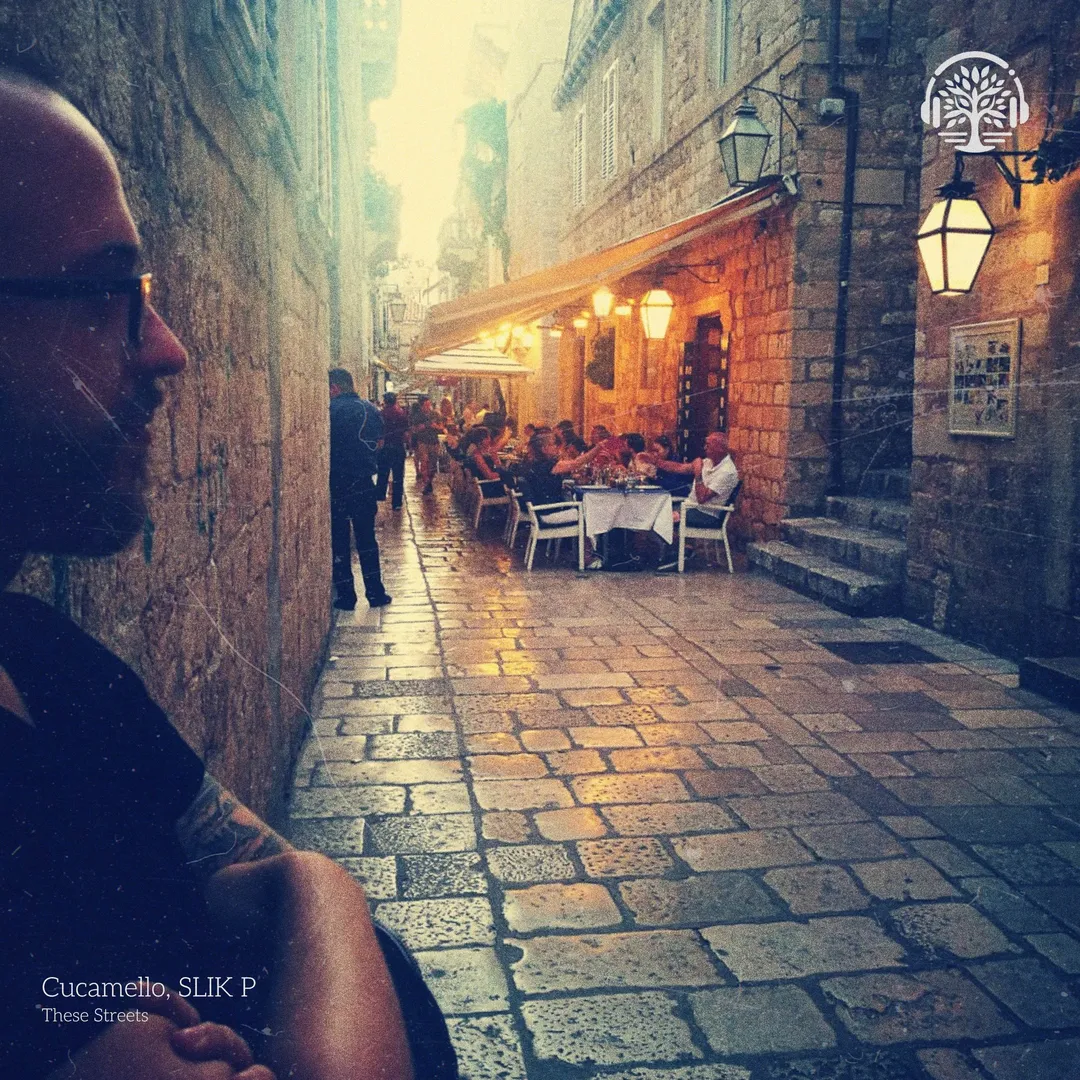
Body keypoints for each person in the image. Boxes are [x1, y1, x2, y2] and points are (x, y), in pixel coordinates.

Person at [0, 62, 455, 1079]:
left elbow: (267, 874)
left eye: (146, 294)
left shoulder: (51, 662)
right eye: (103, 292)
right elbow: (270, 885)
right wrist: (322, 896)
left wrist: (316, 885)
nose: (168, 348)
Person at [329, 369, 392, 610]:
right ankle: (375, 593)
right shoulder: (371, 409)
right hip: (364, 483)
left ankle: (347, 597)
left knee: (340, 539)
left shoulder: (331, 410)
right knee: (367, 539)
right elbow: (380, 443)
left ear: (335, 388)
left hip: (338, 483)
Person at [376, 391, 409, 511]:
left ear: (385, 401)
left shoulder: (381, 414)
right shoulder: (401, 414)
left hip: (384, 448)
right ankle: (397, 503)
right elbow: (406, 433)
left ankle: (380, 495)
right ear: (395, 401)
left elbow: (378, 431)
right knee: (398, 476)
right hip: (398, 447)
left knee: (382, 473)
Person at [410, 395, 442, 495]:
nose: (428, 407)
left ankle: (429, 481)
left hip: (434, 442)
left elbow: (441, 426)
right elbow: (414, 429)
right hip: (422, 442)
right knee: (424, 462)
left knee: (433, 464)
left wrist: (436, 426)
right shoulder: (417, 416)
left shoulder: (435, 414)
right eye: (426, 405)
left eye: (429, 404)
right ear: (421, 406)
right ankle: (426, 482)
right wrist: (422, 427)